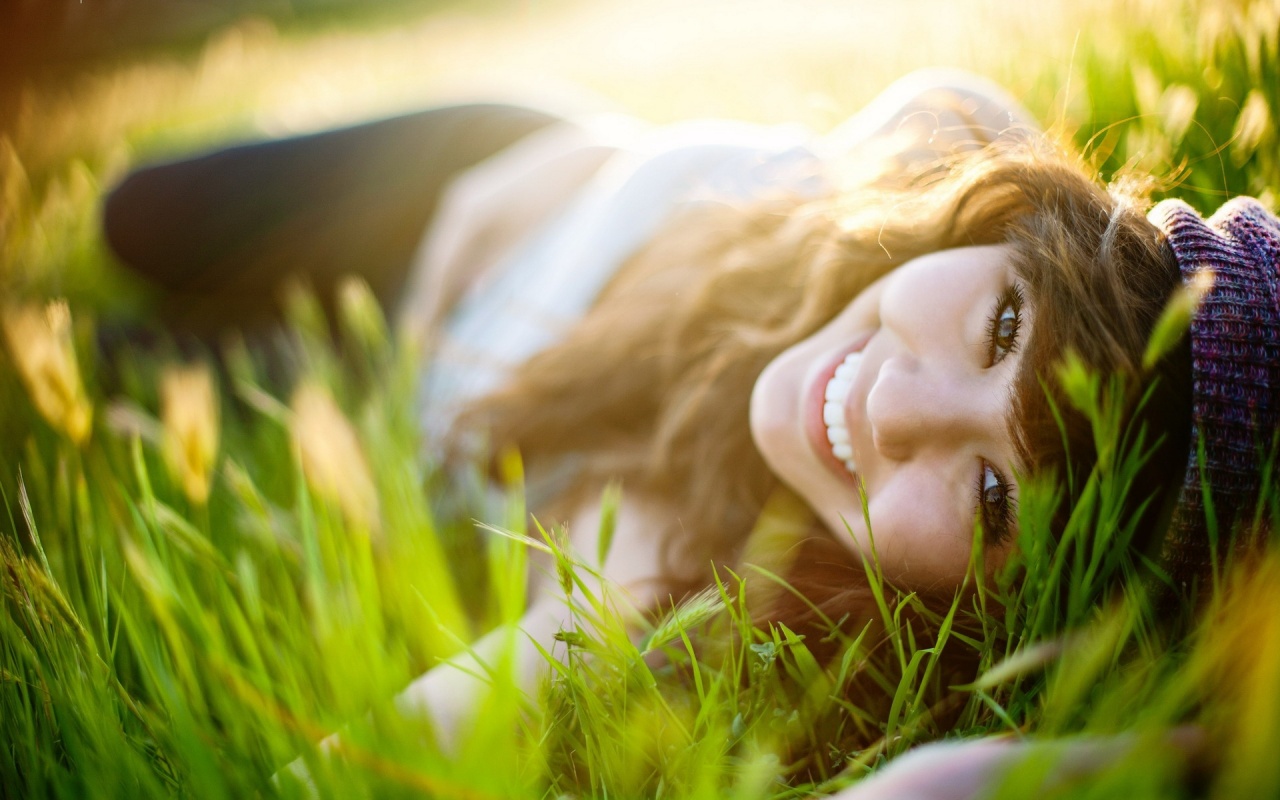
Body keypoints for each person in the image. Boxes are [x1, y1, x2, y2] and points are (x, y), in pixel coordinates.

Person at [100, 68, 1278, 795]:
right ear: (1013, 231)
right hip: (489, 184)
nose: (893, 408)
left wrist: (1178, 757)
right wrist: (580, 166)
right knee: (132, 216)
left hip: (391, 372)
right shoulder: (953, 144)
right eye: (1000, 322)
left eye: (988, 494)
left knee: (124, 364)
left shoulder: (696, 588)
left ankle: (274, 346)